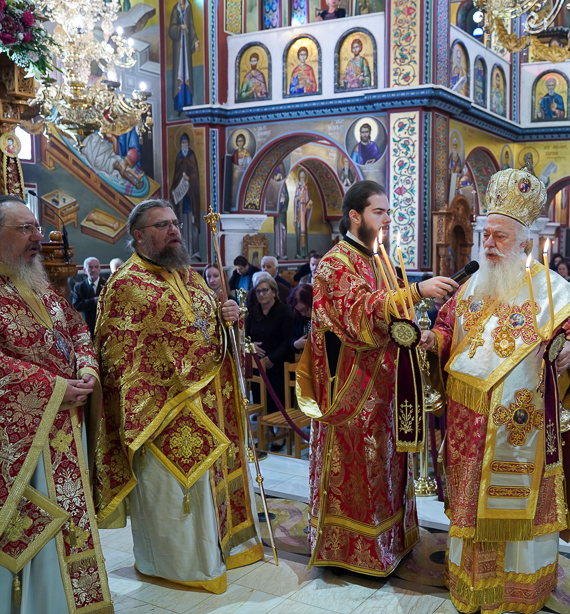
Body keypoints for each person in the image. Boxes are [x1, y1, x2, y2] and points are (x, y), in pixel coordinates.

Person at [420, 167, 570, 614]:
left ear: (522, 241)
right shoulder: (468, 290)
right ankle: (472, 586)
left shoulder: (551, 291)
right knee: (470, 509)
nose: (488, 244)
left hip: (524, 433)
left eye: (499, 236)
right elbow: (446, 332)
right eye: (485, 234)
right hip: (467, 427)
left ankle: (519, 589)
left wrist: (569, 354)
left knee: (518, 508)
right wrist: (430, 343)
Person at [0, 196, 114, 614]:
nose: (38, 237)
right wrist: (52, 388)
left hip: (63, 427)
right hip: (8, 439)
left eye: (36, 228)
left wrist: (86, 369)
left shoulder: (36, 282)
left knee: (64, 521)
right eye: (25, 228)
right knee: (16, 528)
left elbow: (77, 328)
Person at [93, 199, 262, 593]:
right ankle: (177, 566)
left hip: (212, 404)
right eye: (161, 225)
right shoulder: (125, 285)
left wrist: (229, 321)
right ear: (138, 236)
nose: (173, 230)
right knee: (178, 495)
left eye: (174, 223)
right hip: (161, 413)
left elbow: (208, 332)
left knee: (212, 490)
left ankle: (223, 550)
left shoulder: (189, 276)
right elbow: (119, 357)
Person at [296, 180, 458, 575]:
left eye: (387, 212)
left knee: (388, 464)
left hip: (386, 384)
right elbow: (360, 313)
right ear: (355, 216)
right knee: (361, 470)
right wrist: (416, 290)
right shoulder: (335, 264)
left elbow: (392, 315)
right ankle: (353, 551)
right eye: (379, 212)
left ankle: (392, 540)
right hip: (352, 390)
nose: (386, 218)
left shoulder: (376, 258)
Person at [246, 275, 295, 449]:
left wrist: (272, 359)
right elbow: (246, 336)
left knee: (277, 398)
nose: (261, 294)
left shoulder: (284, 312)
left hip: (279, 364)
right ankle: (268, 433)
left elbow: (287, 340)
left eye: (265, 290)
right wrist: (250, 345)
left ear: (273, 292)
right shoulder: (253, 312)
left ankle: (280, 435)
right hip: (258, 365)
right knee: (261, 398)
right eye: (258, 291)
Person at [72, 255, 104, 333]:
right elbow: (76, 306)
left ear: (99, 269)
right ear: (84, 270)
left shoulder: (107, 285)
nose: (94, 270)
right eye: (90, 267)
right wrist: (93, 301)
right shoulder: (79, 287)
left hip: (103, 326)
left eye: (96, 267)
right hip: (87, 327)